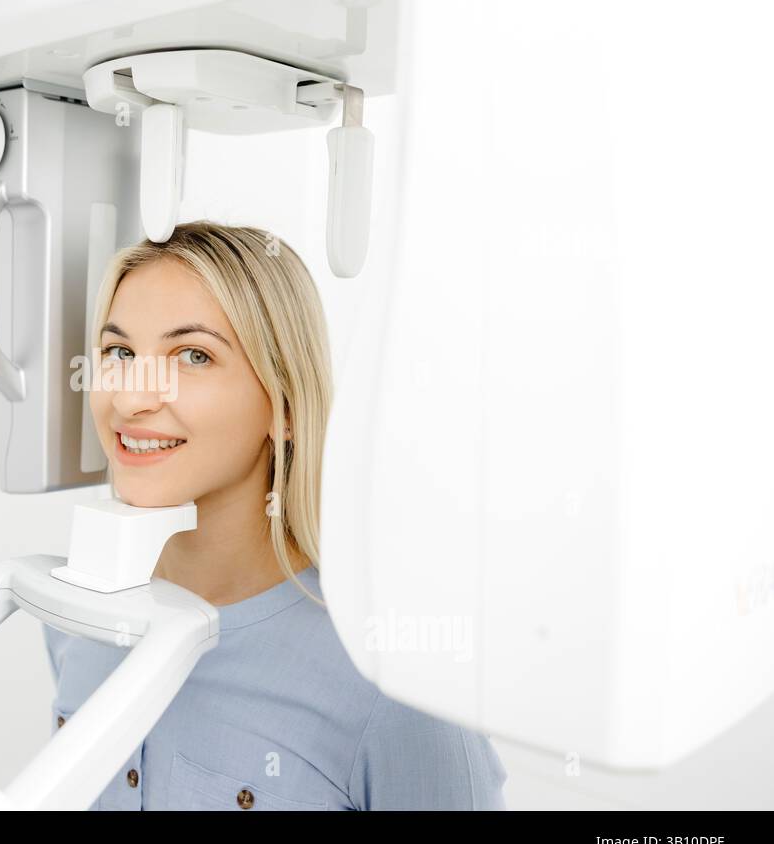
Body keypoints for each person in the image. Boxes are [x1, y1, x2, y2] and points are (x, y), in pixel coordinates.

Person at [44, 220, 508, 809]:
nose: (134, 397)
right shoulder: (75, 621)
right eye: (120, 352)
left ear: (284, 407)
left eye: (192, 356)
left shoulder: (394, 684)